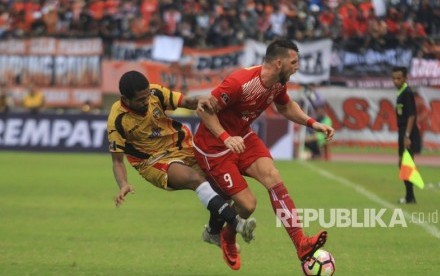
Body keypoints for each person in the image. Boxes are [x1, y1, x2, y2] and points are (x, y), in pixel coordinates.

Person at [193, 39, 335, 270]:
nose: (297, 66)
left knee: (273, 176)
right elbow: (204, 110)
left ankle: (301, 243)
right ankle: (225, 236)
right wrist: (225, 138)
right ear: (279, 63)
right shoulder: (240, 83)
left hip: (242, 137)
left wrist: (313, 123)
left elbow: (285, 106)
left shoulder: (278, 83)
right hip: (214, 148)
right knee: (248, 205)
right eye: (294, 62)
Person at [107, 71, 256, 252]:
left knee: (222, 188)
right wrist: (123, 184)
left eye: (146, 97)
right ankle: (237, 223)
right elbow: (117, 161)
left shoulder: (155, 93)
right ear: (125, 99)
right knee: (194, 179)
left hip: (184, 146)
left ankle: (213, 232)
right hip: (153, 161)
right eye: (140, 100)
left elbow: (185, 102)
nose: (146, 102)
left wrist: (199, 100)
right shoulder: (117, 120)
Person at [391, 66, 421, 204]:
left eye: (398, 78)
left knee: (405, 163)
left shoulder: (407, 93)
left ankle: (410, 196)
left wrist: (407, 135)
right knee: (402, 163)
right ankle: (409, 195)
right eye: (394, 78)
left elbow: (411, 116)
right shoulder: (401, 92)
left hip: (407, 132)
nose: (395, 81)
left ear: (405, 78)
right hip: (402, 131)